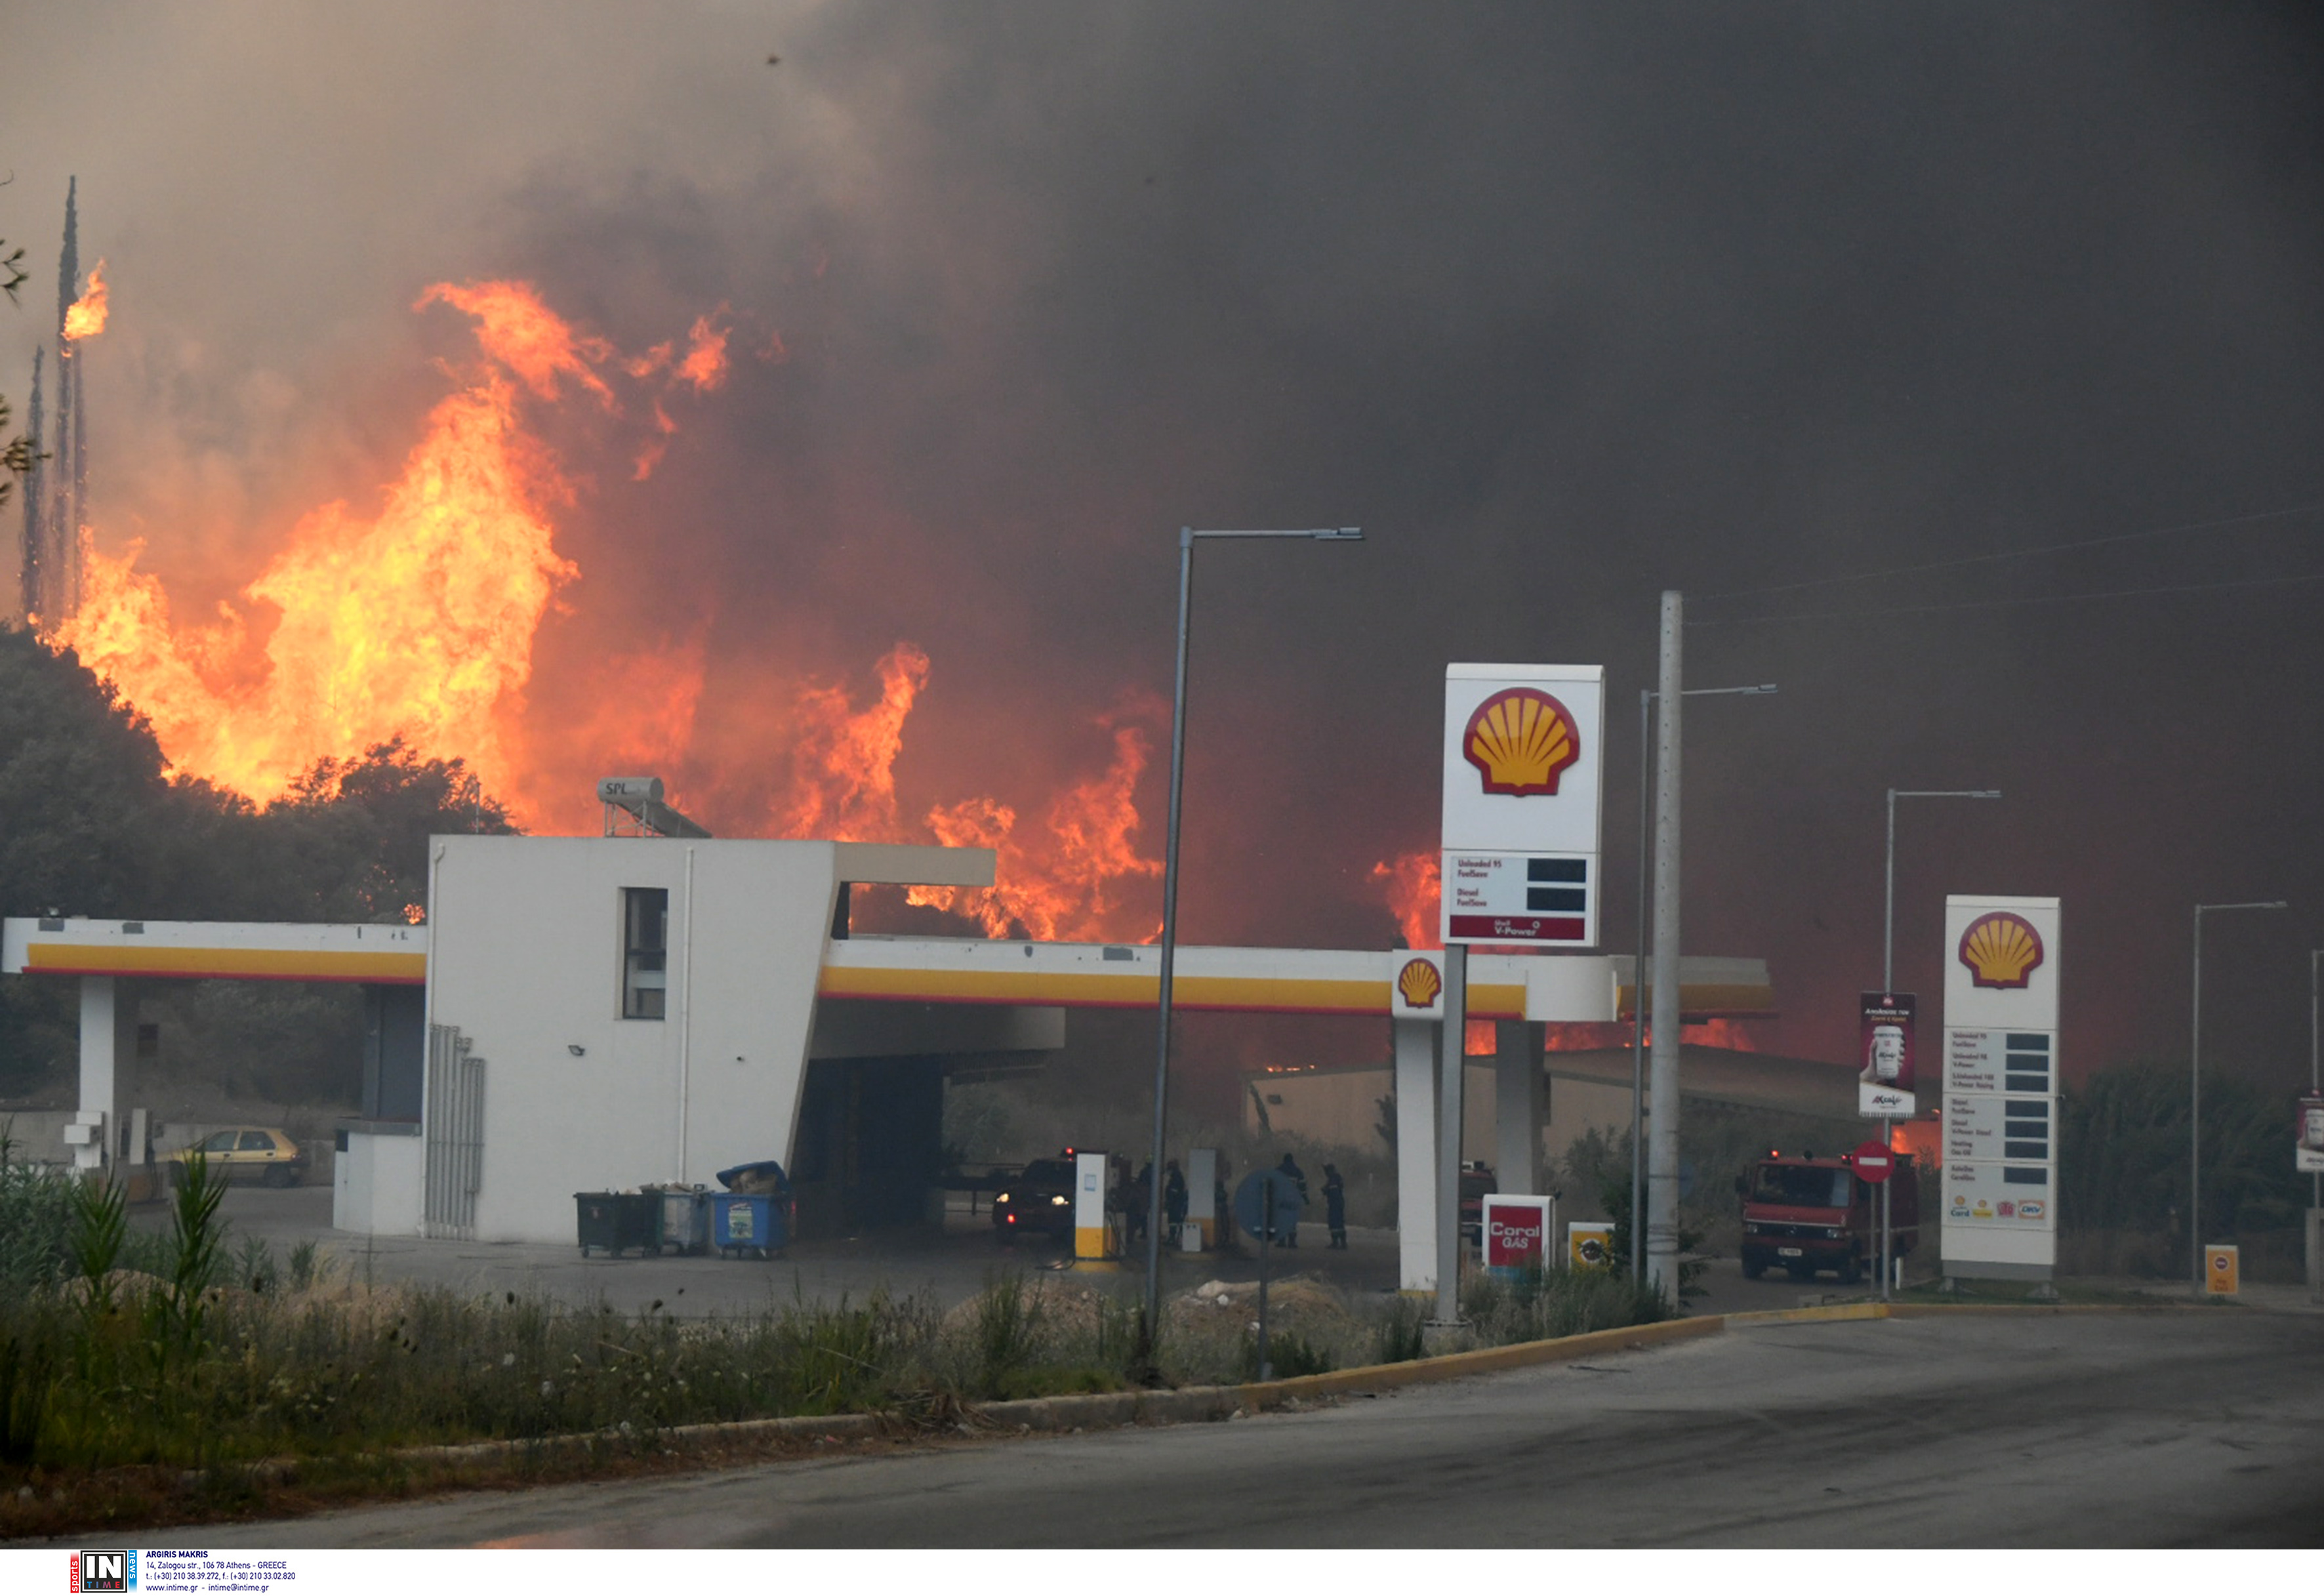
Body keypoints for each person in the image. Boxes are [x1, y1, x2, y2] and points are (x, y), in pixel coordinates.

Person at [1277, 1153, 1309, 1248]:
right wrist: (1305, 1198)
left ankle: (1281, 1241)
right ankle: (1292, 1242)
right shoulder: (1298, 1172)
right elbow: (1302, 1187)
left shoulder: (1279, 1170)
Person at [1323, 1163, 1347, 1249]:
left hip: (1335, 1203)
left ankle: (1336, 1242)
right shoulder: (1337, 1177)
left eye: (1326, 1171)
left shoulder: (1333, 1178)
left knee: (1334, 1223)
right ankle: (1343, 1243)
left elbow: (1333, 1191)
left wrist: (1325, 1190)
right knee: (1340, 1222)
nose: (1325, 1174)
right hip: (1339, 1203)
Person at [1163, 1159, 1189, 1240]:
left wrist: (1169, 1201)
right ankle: (1174, 1237)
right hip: (1175, 1203)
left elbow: (1174, 1191)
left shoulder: (1176, 1177)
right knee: (1176, 1221)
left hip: (1175, 1204)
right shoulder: (1176, 1176)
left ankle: (1173, 1237)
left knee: (1174, 1221)